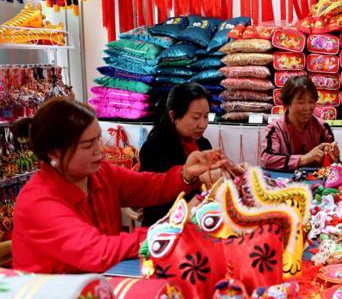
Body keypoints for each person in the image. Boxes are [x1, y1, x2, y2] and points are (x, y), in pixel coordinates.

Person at [12, 97, 233, 274]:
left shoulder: (100, 174)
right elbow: (98, 251)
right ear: (54, 153)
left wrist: (186, 174)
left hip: (101, 282)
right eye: (88, 145)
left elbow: (149, 186)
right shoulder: (39, 201)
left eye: (98, 139)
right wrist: (172, 228)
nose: (99, 150)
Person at [139, 83, 213, 226]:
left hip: (199, 222)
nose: (203, 124)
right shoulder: (154, 148)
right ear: (173, 116)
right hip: (165, 227)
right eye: (196, 117)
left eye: (206, 116)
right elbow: (159, 202)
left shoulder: (203, 144)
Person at [260, 75, 339, 171]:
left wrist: (333, 156)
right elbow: (267, 159)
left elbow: (334, 165)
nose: (307, 108)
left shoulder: (322, 127)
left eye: (311, 102)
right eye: (301, 102)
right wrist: (303, 159)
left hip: (317, 179)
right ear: (287, 104)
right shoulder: (275, 129)